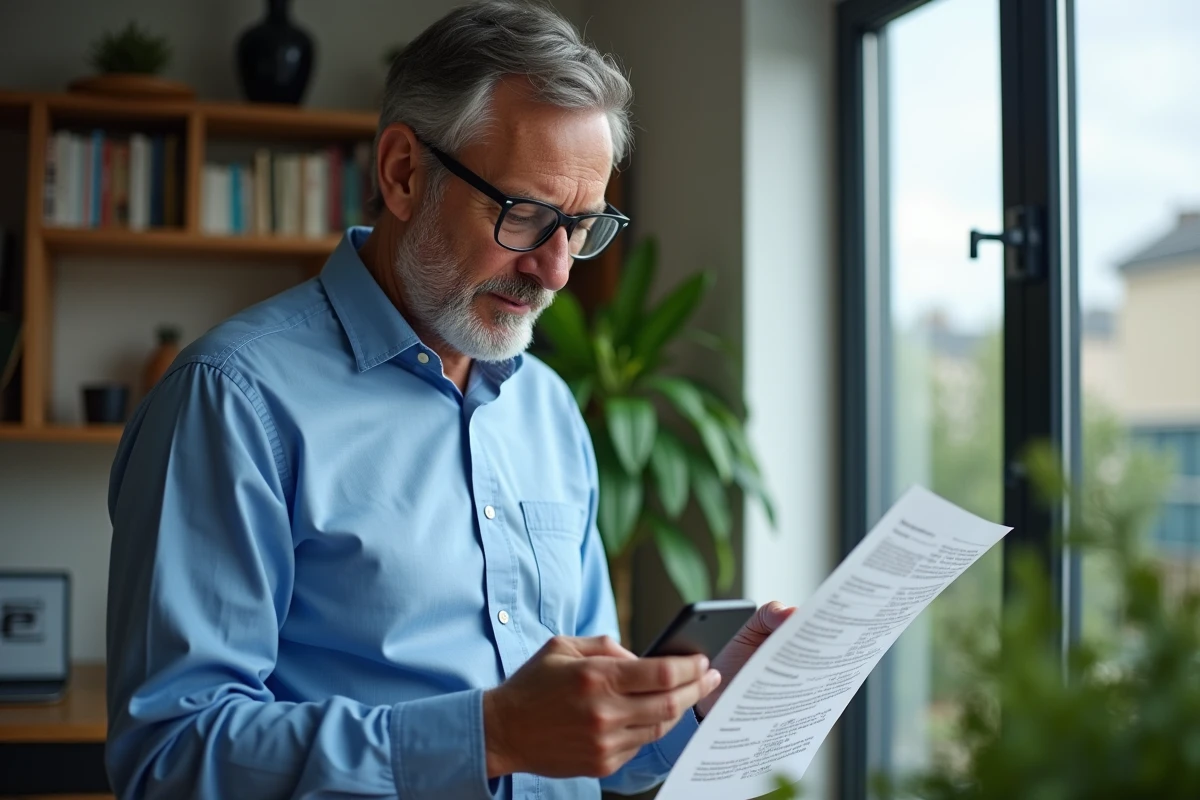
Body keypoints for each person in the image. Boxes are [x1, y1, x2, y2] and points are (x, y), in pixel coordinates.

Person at [105, 2, 793, 798]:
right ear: (402, 173)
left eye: (580, 226)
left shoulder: (551, 412)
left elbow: (581, 735)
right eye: (526, 215)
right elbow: (171, 758)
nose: (557, 271)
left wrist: (694, 706)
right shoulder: (230, 402)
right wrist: (489, 734)